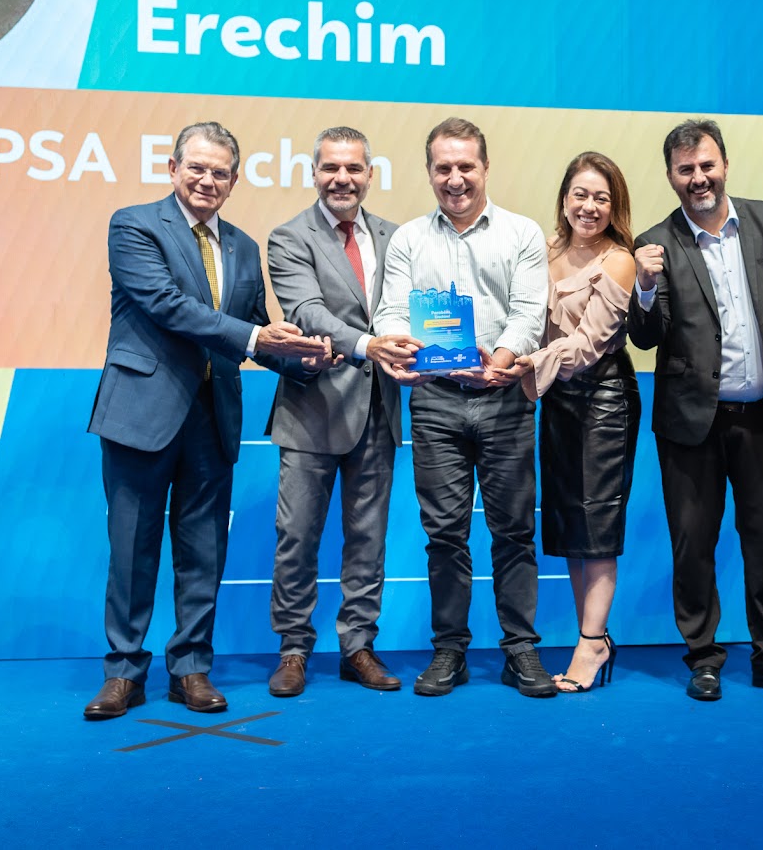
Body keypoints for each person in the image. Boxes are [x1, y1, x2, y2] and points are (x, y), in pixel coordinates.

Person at [84, 122, 334, 719]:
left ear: (234, 180)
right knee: (132, 549)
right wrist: (257, 337)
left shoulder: (243, 246)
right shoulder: (134, 225)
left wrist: (305, 358)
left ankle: (191, 668)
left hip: (212, 416)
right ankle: (124, 672)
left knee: (204, 550)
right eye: (196, 168)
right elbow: (167, 306)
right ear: (172, 168)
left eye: (220, 172)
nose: (207, 180)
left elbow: (256, 327)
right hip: (140, 412)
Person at [628, 119, 763, 702]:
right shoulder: (656, 243)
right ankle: (703, 659)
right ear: (671, 176)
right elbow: (646, 336)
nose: (698, 178)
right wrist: (644, 286)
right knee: (692, 545)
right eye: (685, 169)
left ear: (725, 165)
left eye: (706, 165)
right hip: (691, 424)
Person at [369, 117, 554, 697]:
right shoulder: (408, 240)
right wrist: (406, 349)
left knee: (514, 531)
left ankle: (520, 649)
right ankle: (449, 650)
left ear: (485, 167)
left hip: (504, 398)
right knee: (444, 534)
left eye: (465, 166)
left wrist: (501, 359)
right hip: (435, 402)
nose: (455, 178)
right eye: (443, 167)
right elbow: (391, 312)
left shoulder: (522, 233)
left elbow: (529, 312)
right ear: (429, 172)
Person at [265, 126, 411, 696]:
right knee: (297, 538)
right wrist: (369, 345)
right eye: (330, 168)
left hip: (378, 408)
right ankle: (293, 649)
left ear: (370, 174)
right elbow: (306, 310)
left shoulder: (397, 237)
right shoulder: (288, 237)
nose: (341, 179)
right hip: (312, 410)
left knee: (368, 540)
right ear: (314, 173)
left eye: (353, 168)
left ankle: (358, 647)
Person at [496, 152, 641, 693]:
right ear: (563, 199)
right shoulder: (543, 252)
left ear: (614, 206)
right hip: (556, 399)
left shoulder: (619, 260)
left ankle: (590, 643)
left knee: (597, 525)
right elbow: (522, 318)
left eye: (602, 197)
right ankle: (592, 638)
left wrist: (524, 363)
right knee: (571, 526)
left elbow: (585, 345)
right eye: (580, 194)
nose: (589, 206)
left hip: (605, 400)